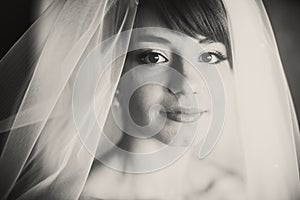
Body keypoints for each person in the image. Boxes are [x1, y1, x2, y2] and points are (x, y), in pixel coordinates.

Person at [0, 0, 299, 199]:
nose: (190, 83)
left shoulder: (240, 192)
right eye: (155, 56)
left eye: (211, 56)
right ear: (112, 72)